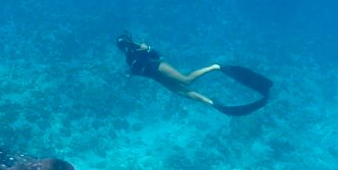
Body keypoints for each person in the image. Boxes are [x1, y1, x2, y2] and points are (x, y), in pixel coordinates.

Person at [115, 32, 273, 116]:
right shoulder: (129, 59)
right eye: (122, 46)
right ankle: (213, 103)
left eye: (125, 44)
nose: (125, 47)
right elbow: (139, 71)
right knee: (184, 93)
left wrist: (148, 49)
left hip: (159, 67)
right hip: (156, 77)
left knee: (186, 80)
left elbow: (157, 56)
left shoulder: (139, 48)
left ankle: (215, 67)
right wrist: (131, 73)